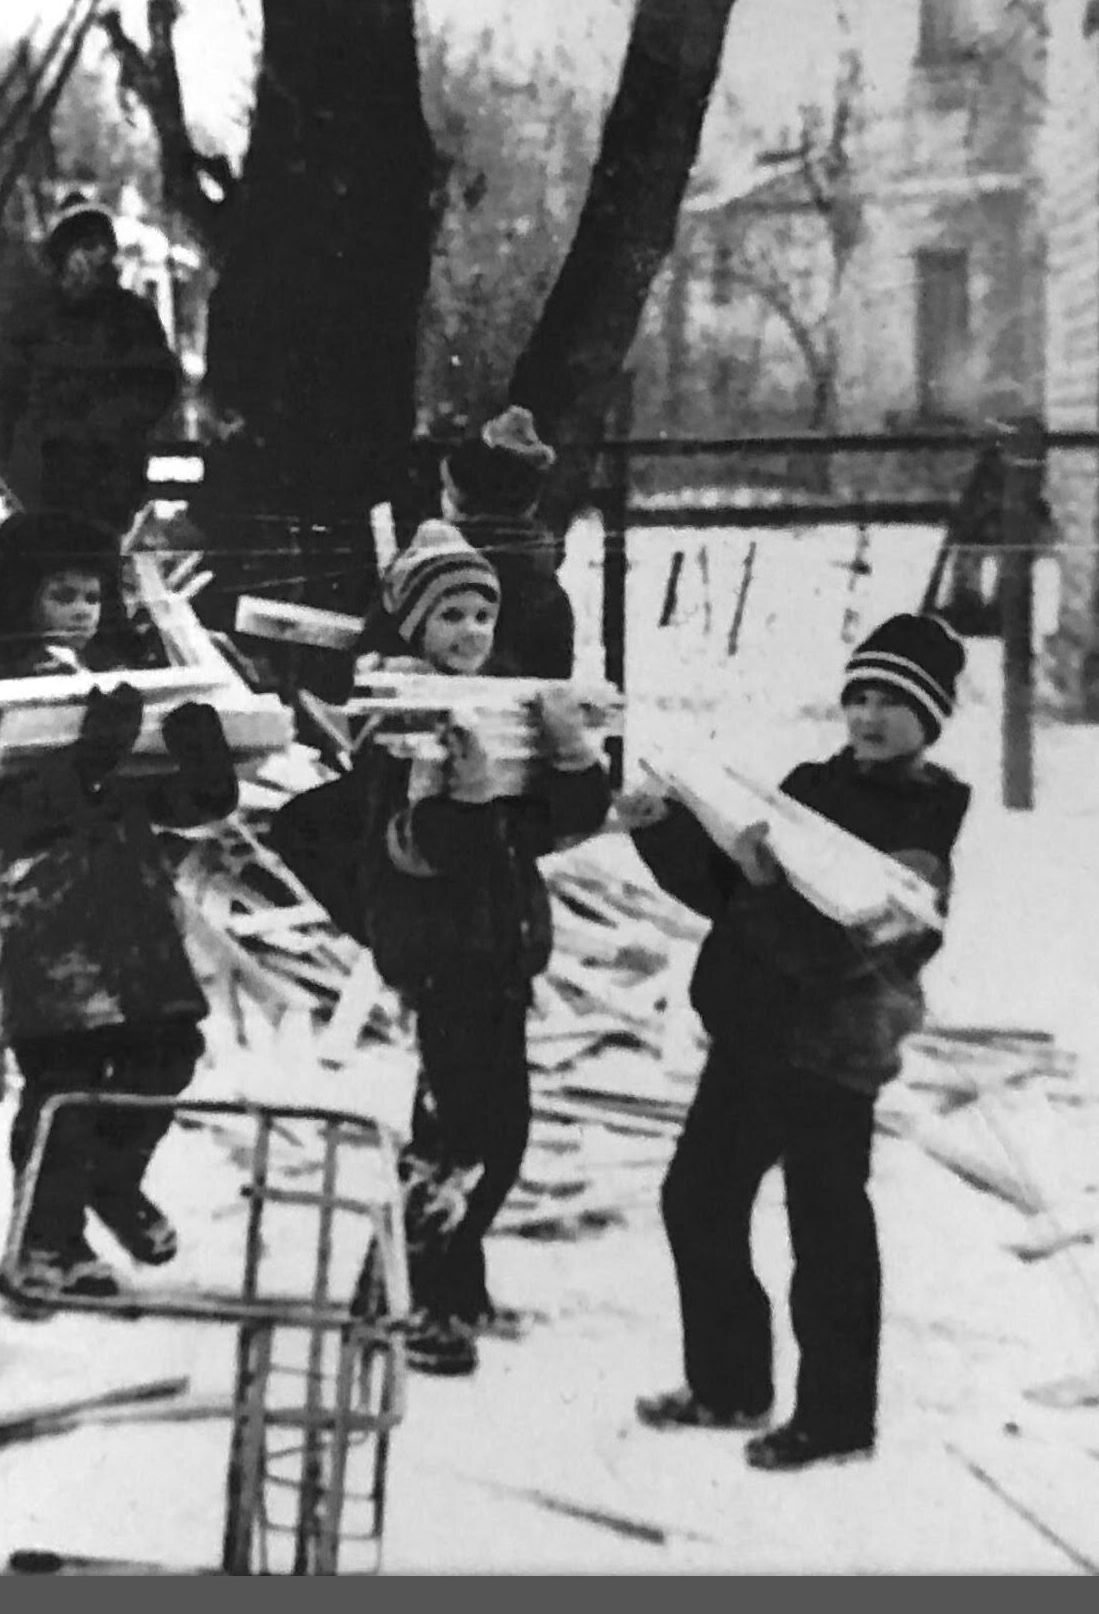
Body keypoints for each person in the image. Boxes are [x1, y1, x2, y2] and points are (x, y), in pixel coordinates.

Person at [615, 612, 974, 1471]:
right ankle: (729, 1384)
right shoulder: (808, 786)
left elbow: (837, 948)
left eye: (893, 700)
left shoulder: (923, 835)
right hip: (753, 1033)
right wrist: (661, 827)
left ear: (930, 718)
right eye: (859, 694)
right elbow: (726, 889)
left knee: (827, 1230)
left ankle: (837, 1418)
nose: (869, 714)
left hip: (832, 1053)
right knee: (698, 1200)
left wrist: (764, 887)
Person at [0, 512, 237, 1316]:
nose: (80, 612)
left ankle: (111, 1180)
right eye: (61, 595)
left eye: (91, 596)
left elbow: (155, 800)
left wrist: (201, 773)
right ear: (20, 598)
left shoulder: (115, 680)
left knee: (167, 1049)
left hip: (130, 903)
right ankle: (44, 1240)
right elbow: (2, 807)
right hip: (52, 911)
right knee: (66, 1077)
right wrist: (87, 762)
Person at [355, 520, 612, 1377]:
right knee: (460, 1139)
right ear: (414, 627)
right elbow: (413, 851)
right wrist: (462, 803)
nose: (470, 631)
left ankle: (442, 1281)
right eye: (450, 615)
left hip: (499, 956)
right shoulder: (401, 724)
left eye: (481, 615)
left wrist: (572, 758)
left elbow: (549, 826)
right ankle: (412, 1298)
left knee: (494, 1136)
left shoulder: (496, 714)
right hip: (443, 959)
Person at [0, 198, 180, 534]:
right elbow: (8, 392)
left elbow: (160, 385)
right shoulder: (34, 315)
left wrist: (116, 423)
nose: (96, 256)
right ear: (64, 252)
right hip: (41, 472)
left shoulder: (132, 316)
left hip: (107, 471)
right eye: (87, 246)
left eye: (103, 247)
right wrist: (1, 461)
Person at [355, 406, 577, 681]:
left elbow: (373, 656)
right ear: (532, 505)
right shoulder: (550, 596)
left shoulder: (422, 573)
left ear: (456, 498)